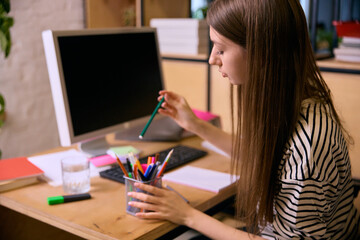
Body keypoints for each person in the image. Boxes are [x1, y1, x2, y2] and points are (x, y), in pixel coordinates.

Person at [127, 0, 360, 239]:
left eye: (220, 49)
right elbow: (261, 155)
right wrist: (194, 124)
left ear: (260, 52)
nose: (212, 59)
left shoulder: (308, 142)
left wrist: (188, 215)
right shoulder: (291, 102)